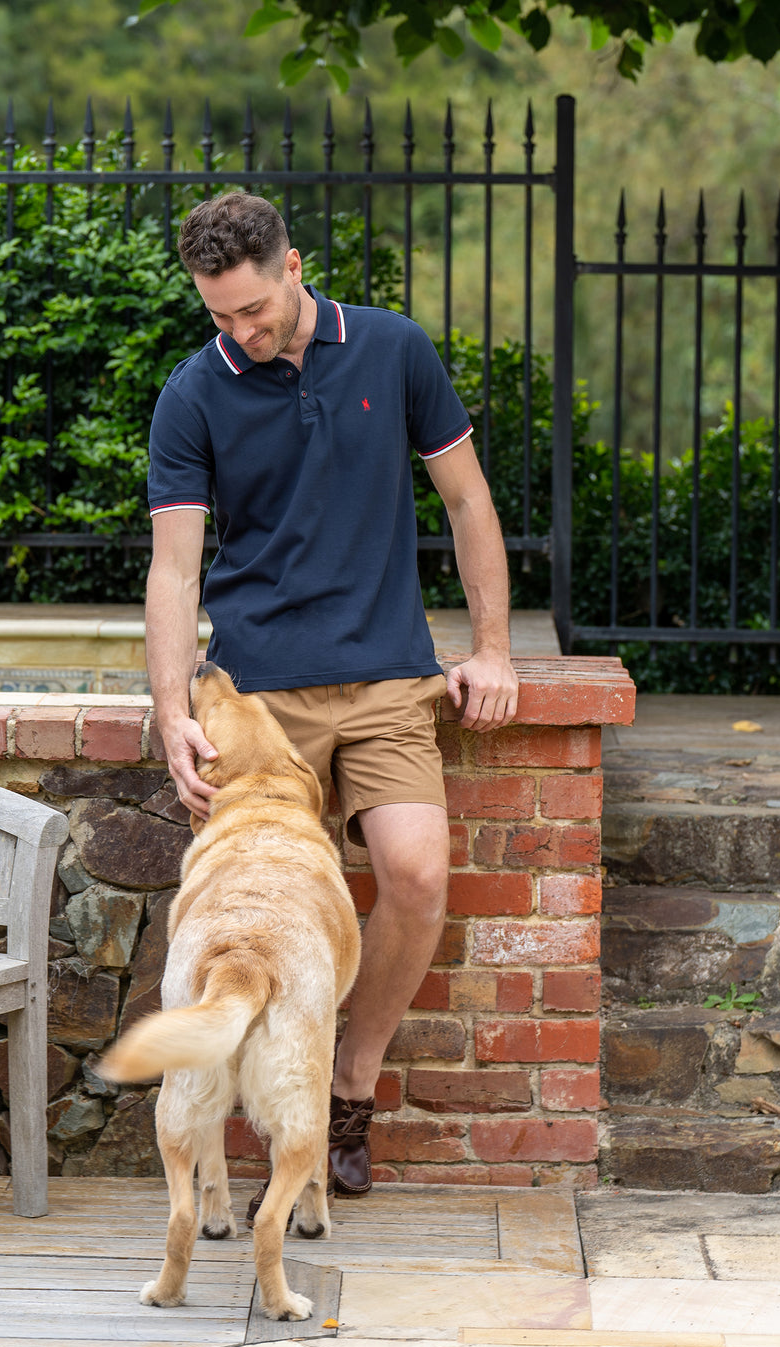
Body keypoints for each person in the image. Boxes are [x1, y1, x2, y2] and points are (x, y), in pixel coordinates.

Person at [145, 191, 518, 1210]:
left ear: (294, 266)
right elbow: (174, 569)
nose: (241, 330)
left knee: (417, 874)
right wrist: (174, 710)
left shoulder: (393, 350)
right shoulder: (194, 393)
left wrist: (492, 649)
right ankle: (234, 1132)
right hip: (260, 697)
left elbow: (467, 499)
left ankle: (348, 1088)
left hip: (389, 672)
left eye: (254, 308)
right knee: (251, 914)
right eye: (220, 314)